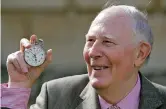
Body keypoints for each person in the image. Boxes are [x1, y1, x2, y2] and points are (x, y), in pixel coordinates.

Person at [1, 5, 166, 109]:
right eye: (90, 41)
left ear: (140, 53)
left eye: (107, 42)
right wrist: (18, 86)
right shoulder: (56, 98)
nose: (92, 52)